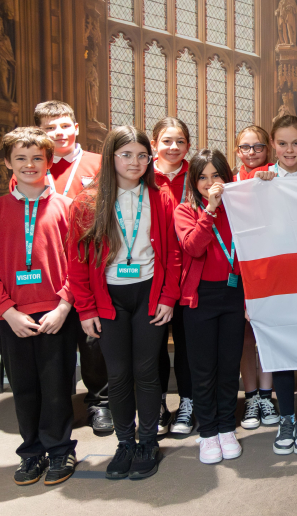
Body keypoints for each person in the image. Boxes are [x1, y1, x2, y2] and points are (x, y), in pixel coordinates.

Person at [69, 125, 181, 480]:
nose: (135, 162)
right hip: (109, 298)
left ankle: (148, 440)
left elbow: (173, 253)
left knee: (146, 372)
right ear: (111, 156)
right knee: (117, 374)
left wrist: (167, 296)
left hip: (148, 294)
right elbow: (78, 261)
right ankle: (125, 442)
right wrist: (85, 308)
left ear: (150, 159)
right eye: (126, 154)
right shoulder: (87, 202)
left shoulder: (161, 197)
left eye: (142, 155)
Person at [10, 101, 111, 436]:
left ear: (77, 126)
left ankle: (99, 401)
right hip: (44, 270)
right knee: (54, 351)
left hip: (90, 265)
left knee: (92, 340)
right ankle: (59, 406)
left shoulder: (98, 163)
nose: (60, 132)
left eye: (65, 125)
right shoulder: (33, 165)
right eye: (51, 127)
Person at [0, 127, 77, 486]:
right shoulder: (0, 209)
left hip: (56, 311)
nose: (30, 165)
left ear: (49, 162)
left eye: (37, 158)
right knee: (25, 386)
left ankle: (61, 449)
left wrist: (64, 305)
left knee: (57, 383)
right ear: (7, 164)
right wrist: (6, 310)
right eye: (20, 158)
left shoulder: (66, 207)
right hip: (13, 315)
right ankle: (31, 452)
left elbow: (79, 261)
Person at [253, 115, 297, 454]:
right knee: (281, 351)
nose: (289, 150)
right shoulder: (257, 180)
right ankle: (286, 417)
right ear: (272, 146)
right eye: (282, 143)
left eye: (296, 143)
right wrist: (258, 186)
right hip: (274, 283)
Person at [174, 149, 246, 465]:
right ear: (194, 181)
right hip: (200, 298)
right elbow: (193, 246)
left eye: (216, 175)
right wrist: (212, 209)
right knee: (203, 370)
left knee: (230, 366)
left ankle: (227, 427)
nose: (210, 182)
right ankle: (207, 433)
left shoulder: (241, 207)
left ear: (226, 176)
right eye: (202, 177)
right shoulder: (186, 210)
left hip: (233, 295)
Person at [231, 125, 279, 431]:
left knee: (267, 334)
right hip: (237, 270)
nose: (251, 153)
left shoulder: (275, 177)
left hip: (270, 269)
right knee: (245, 338)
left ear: (268, 150)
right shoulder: (227, 181)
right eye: (245, 147)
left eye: (258, 147)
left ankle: (266, 394)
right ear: (237, 151)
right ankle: (250, 396)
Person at [150, 117, 195, 436]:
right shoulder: (140, 174)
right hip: (152, 275)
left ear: (188, 146)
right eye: (167, 140)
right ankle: (159, 404)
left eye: (180, 141)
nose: (173, 147)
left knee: (187, 344)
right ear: (154, 144)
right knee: (152, 346)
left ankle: (188, 402)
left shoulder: (197, 175)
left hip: (190, 272)